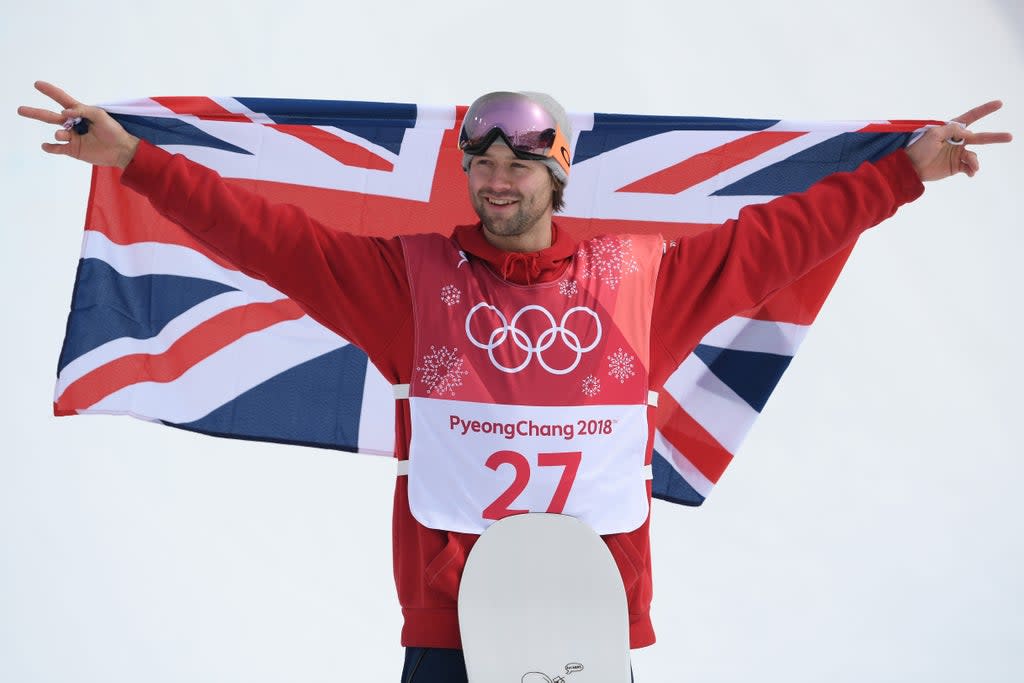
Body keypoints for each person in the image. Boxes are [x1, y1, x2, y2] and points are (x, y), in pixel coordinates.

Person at [18, 82, 1012, 682]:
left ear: (560, 168)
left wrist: (903, 172)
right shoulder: (409, 285)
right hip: (453, 620)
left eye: (520, 162)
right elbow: (269, 236)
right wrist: (139, 161)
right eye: (480, 162)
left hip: (583, 616)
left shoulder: (637, 282)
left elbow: (779, 236)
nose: (498, 180)